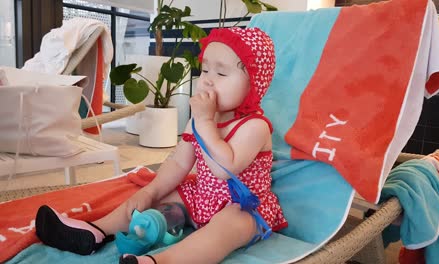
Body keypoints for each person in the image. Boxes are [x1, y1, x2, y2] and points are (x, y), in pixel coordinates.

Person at [35, 27, 288, 264]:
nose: (208, 81)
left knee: (228, 227)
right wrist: (151, 192)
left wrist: (204, 121)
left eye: (221, 73)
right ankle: (97, 229)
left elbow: (225, 168)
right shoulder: (199, 120)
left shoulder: (255, 126)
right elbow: (179, 162)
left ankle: (159, 261)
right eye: (206, 70)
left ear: (254, 84)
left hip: (243, 207)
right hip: (202, 198)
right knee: (150, 199)